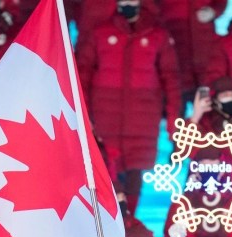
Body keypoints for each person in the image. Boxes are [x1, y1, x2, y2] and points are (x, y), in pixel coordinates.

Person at [75, 0, 181, 210]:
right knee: (104, 173)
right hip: (105, 116)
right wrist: (84, 115)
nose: (127, 4)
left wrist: (173, 126)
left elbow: (171, 79)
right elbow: (83, 74)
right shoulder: (101, 32)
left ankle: (130, 226)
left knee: (134, 175)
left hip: (143, 118)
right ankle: (107, 227)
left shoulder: (157, 35)